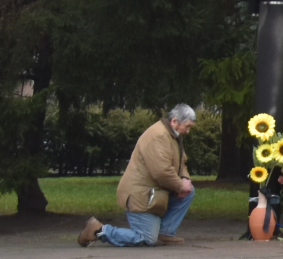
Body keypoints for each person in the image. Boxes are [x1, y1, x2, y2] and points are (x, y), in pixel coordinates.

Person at [79, 105, 199, 247]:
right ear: (174, 121)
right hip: (140, 195)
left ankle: (165, 232)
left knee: (189, 191)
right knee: (146, 238)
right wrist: (180, 186)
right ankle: (99, 230)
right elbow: (161, 172)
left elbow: (181, 163)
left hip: (152, 193)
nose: (188, 131)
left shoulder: (173, 136)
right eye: (187, 126)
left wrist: (185, 179)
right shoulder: (159, 136)